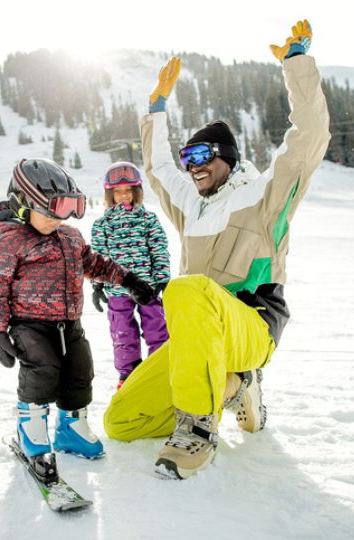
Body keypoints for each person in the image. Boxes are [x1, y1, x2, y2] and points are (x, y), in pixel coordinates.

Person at [104, 20, 330, 479]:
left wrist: (297, 64)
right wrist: (155, 108)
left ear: (227, 155)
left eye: (202, 155)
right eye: (188, 160)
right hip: (199, 337)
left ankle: (198, 430)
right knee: (120, 420)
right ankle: (232, 387)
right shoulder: (192, 206)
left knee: (185, 289)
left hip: (252, 325)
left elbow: (308, 137)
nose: (192, 168)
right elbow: (157, 167)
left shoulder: (265, 196)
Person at [0, 158, 154, 481]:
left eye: (70, 208)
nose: (62, 217)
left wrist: (128, 280)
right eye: (54, 209)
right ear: (22, 205)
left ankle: (71, 428)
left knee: (80, 369)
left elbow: (96, 264)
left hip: (69, 323)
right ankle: (31, 432)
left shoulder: (70, 237)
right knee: (42, 370)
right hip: (29, 325)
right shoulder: (11, 241)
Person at [90, 162, 170, 389]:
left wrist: (162, 279)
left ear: (137, 191)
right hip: (117, 289)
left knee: (157, 327)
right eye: (118, 191)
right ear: (110, 194)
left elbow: (159, 249)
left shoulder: (149, 220)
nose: (124, 195)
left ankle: (159, 367)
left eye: (128, 190)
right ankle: (128, 374)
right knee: (122, 333)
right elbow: (98, 257)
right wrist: (97, 285)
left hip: (148, 287)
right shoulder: (102, 225)